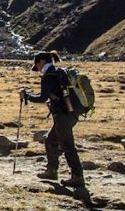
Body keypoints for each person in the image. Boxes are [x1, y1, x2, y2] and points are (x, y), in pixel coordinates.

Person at [21, 51, 84, 187]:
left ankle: (77, 176)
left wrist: (27, 96)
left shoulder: (49, 75)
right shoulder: (59, 72)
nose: (37, 69)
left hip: (62, 115)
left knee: (67, 145)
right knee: (50, 140)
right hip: (71, 113)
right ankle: (52, 170)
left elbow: (42, 97)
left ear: (42, 62)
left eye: (37, 65)